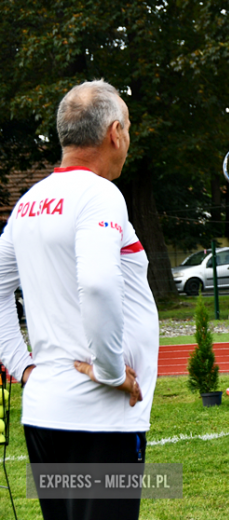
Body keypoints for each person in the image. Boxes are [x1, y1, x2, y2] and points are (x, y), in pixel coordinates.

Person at [0, 80, 156, 520]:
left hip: (46, 410)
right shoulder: (100, 194)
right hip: (100, 416)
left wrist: (22, 366)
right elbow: (100, 284)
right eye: (127, 125)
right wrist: (109, 372)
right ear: (114, 133)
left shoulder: (29, 201)